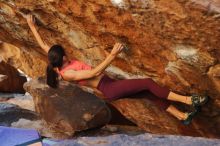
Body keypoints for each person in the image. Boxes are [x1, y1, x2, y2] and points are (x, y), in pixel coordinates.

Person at [26, 15, 209, 125]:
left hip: (110, 84)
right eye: (64, 51)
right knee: (147, 83)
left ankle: (183, 116)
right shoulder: (67, 73)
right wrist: (112, 55)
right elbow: (92, 73)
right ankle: (190, 100)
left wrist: (32, 26)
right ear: (63, 57)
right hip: (108, 88)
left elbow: (43, 45)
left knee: (148, 93)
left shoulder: (56, 61)